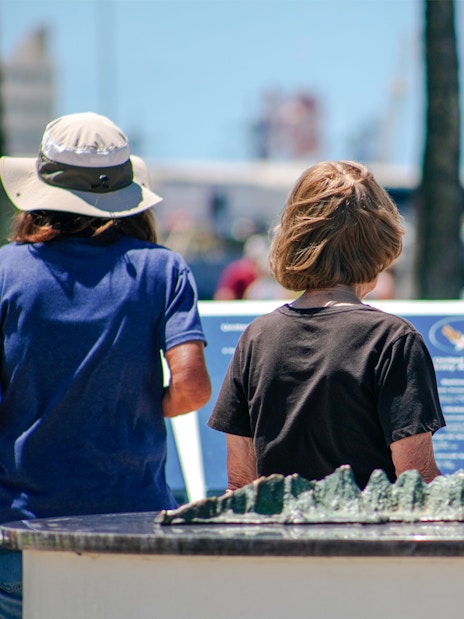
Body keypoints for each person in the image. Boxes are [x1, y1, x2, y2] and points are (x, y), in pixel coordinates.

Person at [0, 112, 211, 617]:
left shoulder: (6, 270)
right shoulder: (162, 269)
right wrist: (137, 405)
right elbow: (193, 387)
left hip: (20, 531)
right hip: (133, 525)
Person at [208, 160, 445, 494]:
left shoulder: (257, 337)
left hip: (278, 539)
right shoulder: (394, 340)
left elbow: (240, 483)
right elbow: (416, 479)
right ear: (381, 240)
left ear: (294, 236)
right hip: (364, 541)